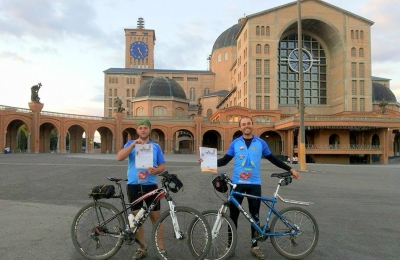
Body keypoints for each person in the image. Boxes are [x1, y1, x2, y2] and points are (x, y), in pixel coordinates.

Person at [200, 116, 300, 260]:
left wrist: (290, 169)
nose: (246, 126)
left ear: (252, 125)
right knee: (233, 217)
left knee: (255, 216)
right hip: (237, 184)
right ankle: (230, 247)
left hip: (255, 184)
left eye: (248, 123)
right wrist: (207, 162)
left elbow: (273, 159)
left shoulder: (261, 143)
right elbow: (225, 160)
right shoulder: (235, 143)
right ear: (240, 127)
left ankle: (255, 246)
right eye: (243, 124)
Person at [117, 119, 166, 260]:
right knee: (137, 218)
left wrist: (156, 170)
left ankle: (160, 248)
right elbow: (119, 157)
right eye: (140, 128)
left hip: (150, 185)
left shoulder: (155, 146)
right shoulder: (130, 144)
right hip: (134, 185)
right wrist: (133, 144)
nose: (143, 130)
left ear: (149, 130)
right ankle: (141, 247)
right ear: (137, 130)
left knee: (156, 217)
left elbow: (162, 165)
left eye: (145, 128)